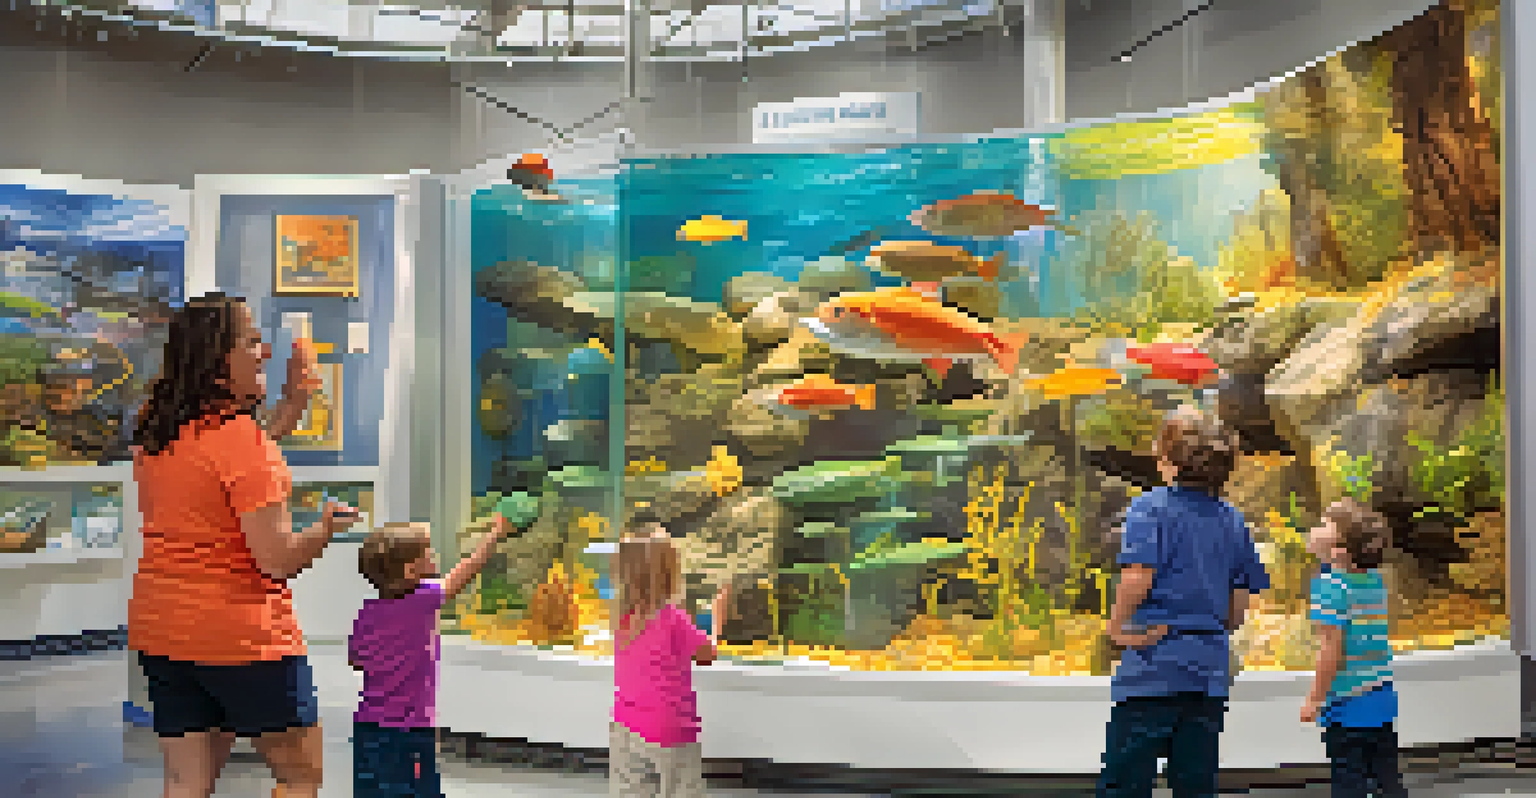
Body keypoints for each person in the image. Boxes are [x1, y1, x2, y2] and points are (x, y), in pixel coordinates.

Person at [127, 293, 362, 798]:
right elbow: (276, 561)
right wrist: (324, 529)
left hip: (163, 631)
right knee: (300, 777)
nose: (265, 351)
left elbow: (234, 457)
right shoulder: (241, 443)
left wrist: (294, 402)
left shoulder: (157, 425)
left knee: (185, 781)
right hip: (242, 638)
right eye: (252, 340)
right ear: (218, 358)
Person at [1098, 405, 1271, 798]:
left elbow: (1137, 576)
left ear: (1170, 464)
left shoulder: (1149, 507)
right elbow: (1236, 608)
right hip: (1208, 673)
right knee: (1195, 781)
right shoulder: (1233, 519)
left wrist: (1117, 626)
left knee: (1126, 778)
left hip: (1153, 665)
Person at [349, 493, 540, 798]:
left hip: (368, 725)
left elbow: (356, 658)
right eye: (428, 552)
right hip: (409, 728)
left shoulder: (367, 610)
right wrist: (495, 534)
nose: (434, 555)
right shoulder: (423, 601)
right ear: (411, 571)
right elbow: (466, 571)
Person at [610, 524, 732, 798]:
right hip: (669, 730)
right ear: (670, 575)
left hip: (624, 727)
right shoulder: (673, 619)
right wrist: (716, 618)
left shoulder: (620, 618)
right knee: (680, 791)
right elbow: (707, 655)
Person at [1300, 498, 1405, 798]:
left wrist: (1315, 698)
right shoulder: (1371, 581)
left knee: (1349, 779)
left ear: (1339, 550)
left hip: (1347, 703)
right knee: (1387, 776)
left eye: (1323, 524)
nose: (1315, 527)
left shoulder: (1329, 587)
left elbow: (1331, 649)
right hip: (1381, 695)